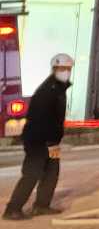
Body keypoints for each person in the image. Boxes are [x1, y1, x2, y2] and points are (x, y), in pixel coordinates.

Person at [6, 53, 73, 220]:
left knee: (52, 172)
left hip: (52, 142)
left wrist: (55, 138)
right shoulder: (47, 90)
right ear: (54, 69)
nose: (66, 71)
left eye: (68, 68)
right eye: (62, 68)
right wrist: (45, 140)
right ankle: (12, 209)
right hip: (38, 141)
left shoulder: (59, 89)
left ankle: (41, 205)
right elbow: (39, 119)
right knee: (32, 173)